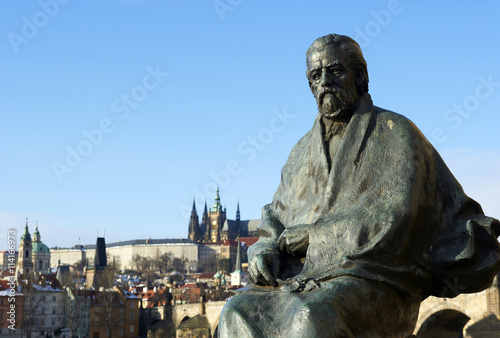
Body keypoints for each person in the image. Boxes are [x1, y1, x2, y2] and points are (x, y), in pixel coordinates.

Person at [218, 34, 500, 337]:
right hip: (301, 280)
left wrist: (316, 236)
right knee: (235, 313)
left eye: (335, 71)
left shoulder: (395, 132)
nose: (324, 81)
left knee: (310, 318)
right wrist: (265, 250)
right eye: (316, 75)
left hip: (376, 278)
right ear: (309, 84)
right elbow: (274, 220)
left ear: (360, 76)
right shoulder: (301, 152)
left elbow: (395, 216)